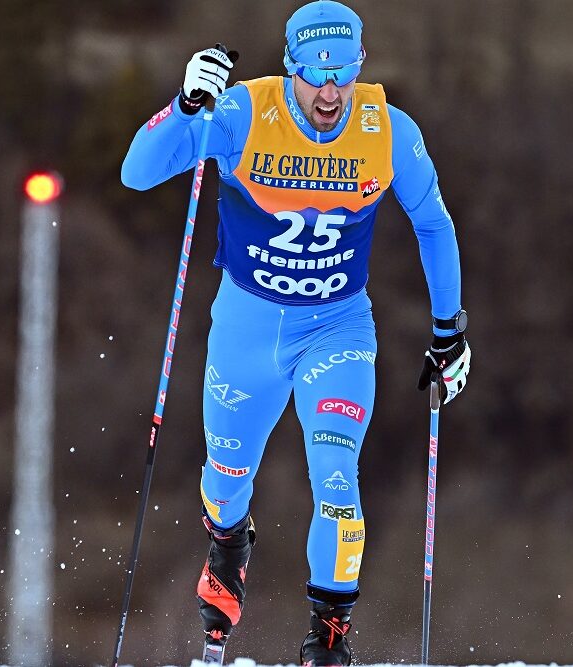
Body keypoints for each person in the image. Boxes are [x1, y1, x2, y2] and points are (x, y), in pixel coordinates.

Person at [121, 2, 471, 664]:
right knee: (225, 481)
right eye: (315, 73)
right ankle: (228, 543)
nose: (331, 91)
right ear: (291, 68)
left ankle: (329, 636)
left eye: (343, 71)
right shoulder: (244, 114)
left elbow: (434, 222)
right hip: (245, 331)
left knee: (337, 474)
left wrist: (449, 328)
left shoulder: (386, 130)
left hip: (336, 330)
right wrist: (188, 105)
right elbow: (137, 172)